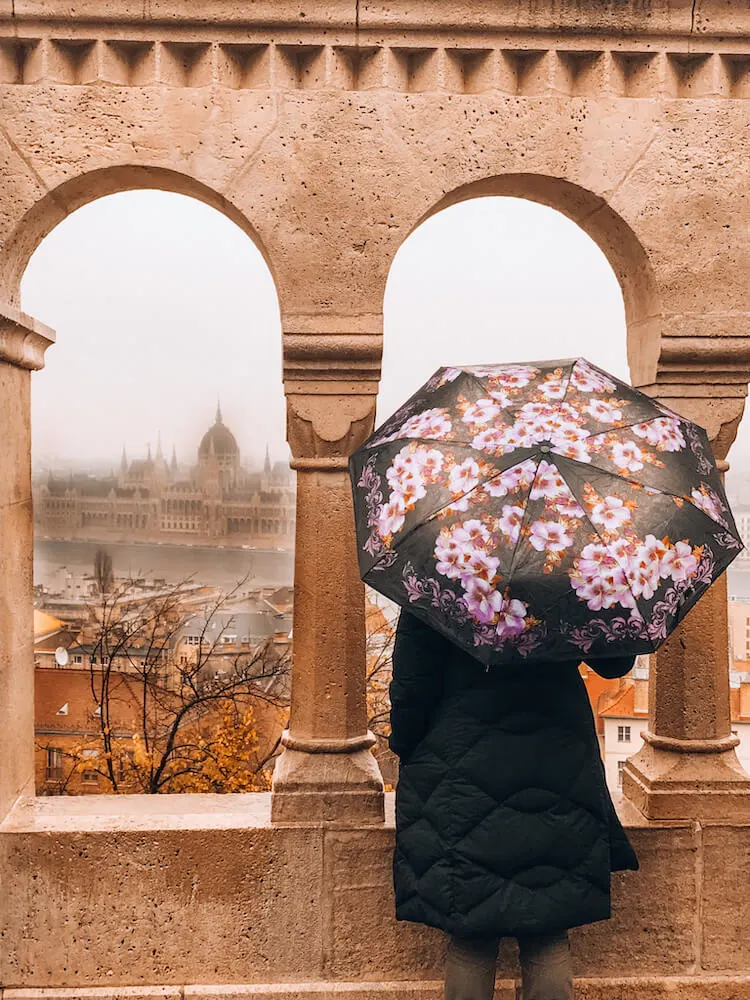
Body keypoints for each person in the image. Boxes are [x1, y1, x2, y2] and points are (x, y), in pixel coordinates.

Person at [389, 610, 639, 1000]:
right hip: (558, 757)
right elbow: (616, 661)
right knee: (548, 925)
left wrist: (406, 745)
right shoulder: (570, 567)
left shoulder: (442, 565)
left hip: (462, 758)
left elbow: (413, 682)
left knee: (470, 933)